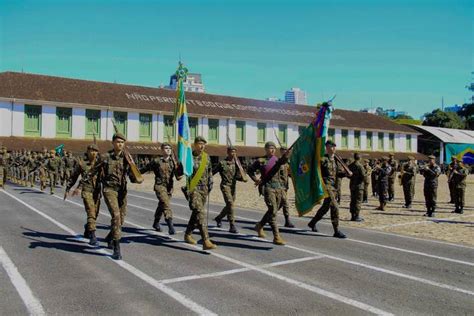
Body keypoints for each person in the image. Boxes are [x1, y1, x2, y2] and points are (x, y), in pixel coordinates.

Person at [247, 141, 288, 245]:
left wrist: (286, 155)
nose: (272, 150)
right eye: (270, 148)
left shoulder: (278, 160)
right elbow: (250, 170)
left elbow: (284, 164)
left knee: (272, 210)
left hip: (279, 188)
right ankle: (276, 236)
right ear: (266, 149)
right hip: (267, 187)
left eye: (274, 148)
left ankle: (260, 225)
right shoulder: (261, 160)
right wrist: (255, 179)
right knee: (273, 211)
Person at [307, 140, 349, 238]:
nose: (334, 148)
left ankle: (312, 223)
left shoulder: (336, 160)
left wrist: (346, 174)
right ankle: (336, 230)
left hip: (334, 187)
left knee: (325, 207)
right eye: (332, 146)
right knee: (335, 206)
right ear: (327, 147)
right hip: (326, 186)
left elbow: (338, 173)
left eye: (335, 146)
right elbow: (315, 170)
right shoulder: (323, 159)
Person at [140, 142, 183, 234]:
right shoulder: (156, 161)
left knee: (162, 205)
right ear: (162, 150)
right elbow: (145, 168)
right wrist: (136, 174)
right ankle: (170, 225)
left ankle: (156, 223)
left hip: (169, 188)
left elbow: (178, 177)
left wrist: (180, 168)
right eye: (166, 148)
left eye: (169, 148)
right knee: (166, 204)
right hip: (159, 186)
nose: (168, 150)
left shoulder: (174, 162)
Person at [100, 132, 131, 260]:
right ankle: (116, 248)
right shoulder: (105, 157)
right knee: (116, 216)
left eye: (122, 142)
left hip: (122, 191)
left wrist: (136, 175)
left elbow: (134, 175)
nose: (120, 144)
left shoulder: (127, 157)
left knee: (121, 219)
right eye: (118, 142)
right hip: (109, 189)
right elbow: (94, 172)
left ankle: (109, 237)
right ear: (113, 143)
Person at [183, 136, 216, 250]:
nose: (202, 146)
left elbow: (210, 172)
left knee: (196, 213)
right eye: (199, 144)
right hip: (193, 188)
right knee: (200, 212)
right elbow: (183, 173)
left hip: (204, 189)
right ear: (195, 144)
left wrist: (210, 184)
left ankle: (187, 234)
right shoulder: (189, 157)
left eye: (203, 144)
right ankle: (206, 240)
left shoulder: (207, 158)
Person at [66, 143, 102, 246]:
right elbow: (74, 176)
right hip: (86, 190)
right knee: (91, 212)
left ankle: (88, 228)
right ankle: (93, 235)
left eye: (95, 151)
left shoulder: (100, 164)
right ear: (87, 151)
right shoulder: (82, 163)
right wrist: (68, 188)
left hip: (97, 191)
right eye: (90, 151)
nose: (93, 153)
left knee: (95, 214)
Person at [213, 146, 247, 233]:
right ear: (228, 152)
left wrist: (243, 179)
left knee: (229, 206)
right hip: (225, 186)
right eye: (231, 152)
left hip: (233, 187)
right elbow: (212, 172)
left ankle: (219, 218)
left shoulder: (237, 164)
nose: (233, 154)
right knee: (230, 203)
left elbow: (238, 176)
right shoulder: (222, 163)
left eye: (235, 152)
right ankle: (232, 225)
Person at [279, 146, 295, 228]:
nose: (285, 152)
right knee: (285, 202)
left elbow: (289, 174)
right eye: (283, 151)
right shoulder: (278, 161)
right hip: (278, 186)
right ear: (280, 151)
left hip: (285, 187)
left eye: (286, 151)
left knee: (279, 204)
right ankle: (287, 220)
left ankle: (269, 217)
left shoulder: (287, 163)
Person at [348, 152, 365, 221]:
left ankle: (352, 215)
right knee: (358, 201)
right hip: (359, 186)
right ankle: (357, 216)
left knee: (353, 200)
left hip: (352, 185)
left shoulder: (351, 165)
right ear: (360, 158)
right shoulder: (360, 166)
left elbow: (348, 174)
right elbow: (363, 176)